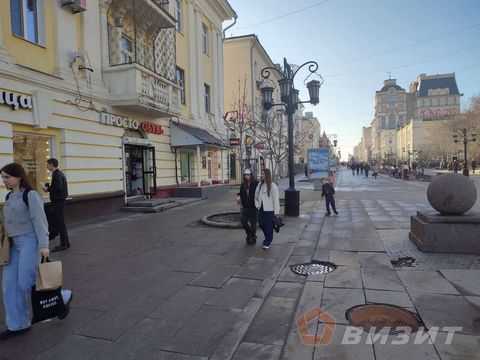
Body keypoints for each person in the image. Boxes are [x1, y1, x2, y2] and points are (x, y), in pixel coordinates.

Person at [0, 163, 72, 340]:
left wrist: (43, 245)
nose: (4, 180)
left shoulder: (30, 195)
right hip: (13, 244)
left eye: (7, 177)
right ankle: (17, 325)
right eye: (2, 177)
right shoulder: (9, 196)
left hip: (30, 241)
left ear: (18, 177)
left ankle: (62, 297)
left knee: (26, 281)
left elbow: (39, 221)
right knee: (9, 285)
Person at [42, 158, 70, 252]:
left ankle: (63, 244)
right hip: (59, 201)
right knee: (61, 223)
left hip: (58, 202)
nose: (47, 166)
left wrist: (47, 189)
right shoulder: (58, 173)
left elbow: (58, 188)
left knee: (60, 223)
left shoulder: (57, 175)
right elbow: (58, 187)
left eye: (47, 164)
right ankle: (66, 243)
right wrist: (49, 187)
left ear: (51, 165)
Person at [255, 169, 280, 250]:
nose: (261, 175)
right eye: (261, 173)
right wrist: (257, 205)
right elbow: (255, 196)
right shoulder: (259, 185)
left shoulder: (273, 186)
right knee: (261, 224)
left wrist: (276, 212)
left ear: (267, 175)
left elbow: (276, 200)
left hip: (270, 209)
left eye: (263, 173)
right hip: (261, 208)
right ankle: (268, 237)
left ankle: (268, 241)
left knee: (268, 226)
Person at [236, 168, 259, 245]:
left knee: (253, 223)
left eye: (248, 174)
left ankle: (253, 237)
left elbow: (259, 194)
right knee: (243, 221)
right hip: (245, 206)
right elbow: (241, 193)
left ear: (251, 175)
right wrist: (239, 197)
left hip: (253, 207)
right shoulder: (243, 184)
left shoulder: (256, 183)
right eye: (245, 174)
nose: (246, 176)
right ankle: (249, 234)